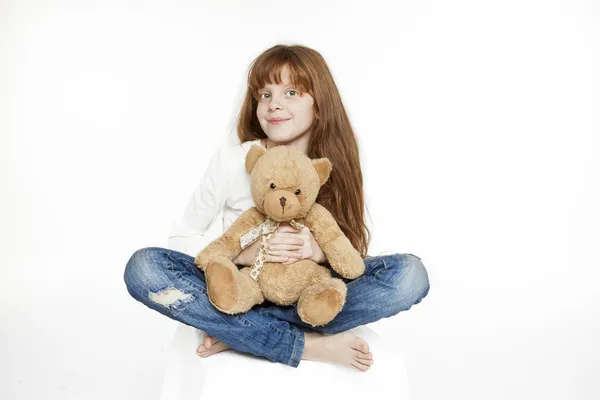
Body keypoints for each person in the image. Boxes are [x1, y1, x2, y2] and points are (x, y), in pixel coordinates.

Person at [124, 44, 430, 372]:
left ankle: (245, 335)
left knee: (410, 274)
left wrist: (318, 252)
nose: (274, 105)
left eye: (292, 92)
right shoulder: (233, 161)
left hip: (307, 301)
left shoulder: (332, 166)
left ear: (319, 104)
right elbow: (182, 236)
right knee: (144, 267)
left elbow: (350, 258)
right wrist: (244, 252)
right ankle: (299, 343)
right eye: (265, 95)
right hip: (241, 297)